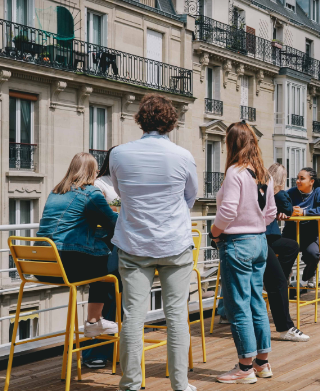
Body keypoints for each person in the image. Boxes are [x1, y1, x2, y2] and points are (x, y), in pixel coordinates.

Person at [110, 94, 199, 391]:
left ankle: (131, 384)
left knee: (133, 316)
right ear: (171, 121)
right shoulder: (183, 155)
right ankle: (180, 384)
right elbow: (191, 196)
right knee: (176, 316)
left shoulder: (119, 154)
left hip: (134, 243)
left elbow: (121, 192)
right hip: (174, 244)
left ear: (140, 119)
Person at [209, 122, 277, 384]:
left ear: (231, 143)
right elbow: (270, 213)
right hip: (260, 241)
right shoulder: (263, 175)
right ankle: (262, 363)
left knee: (238, 305)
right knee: (256, 301)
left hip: (237, 242)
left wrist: (215, 232)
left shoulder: (234, 173)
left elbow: (227, 211)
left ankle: (245, 368)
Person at [35, 152, 119, 339]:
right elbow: (113, 223)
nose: (98, 171)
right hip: (65, 264)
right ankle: (94, 322)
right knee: (108, 268)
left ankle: (95, 323)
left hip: (42, 264)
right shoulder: (90, 193)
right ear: (91, 171)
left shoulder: (56, 192)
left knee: (101, 260)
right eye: (96, 168)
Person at [84, 146, 120, 369]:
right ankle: (95, 352)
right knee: (107, 293)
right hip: (105, 245)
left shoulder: (129, 182)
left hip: (126, 244)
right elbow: (101, 216)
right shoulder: (100, 184)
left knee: (122, 297)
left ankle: (117, 350)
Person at [264, 163, 309, 342]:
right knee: (280, 280)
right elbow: (287, 210)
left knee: (291, 247)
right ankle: (285, 327)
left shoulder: (261, 188)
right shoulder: (277, 192)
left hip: (253, 238)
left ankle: (277, 278)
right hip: (261, 238)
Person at [282, 167, 320, 292]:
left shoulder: (319, 192)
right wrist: (285, 212)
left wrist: (304, 212)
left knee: (314, 253)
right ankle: (286, 279)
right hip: (292, 232)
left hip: (312, 234)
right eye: (297, 178)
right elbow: (280, 205)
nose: (298, 181)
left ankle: (309, 273)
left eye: (302, 178)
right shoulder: (291, 192)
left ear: (312, 181)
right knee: (283, 253)